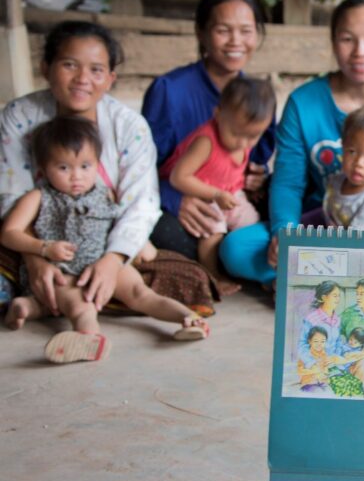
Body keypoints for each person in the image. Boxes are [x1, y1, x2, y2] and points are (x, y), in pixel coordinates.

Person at [221, 0, 364, 286]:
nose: (360, 52)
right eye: (347, 39)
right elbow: (289, 183)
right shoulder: (303, 102)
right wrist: (285, 233)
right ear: (333, 41)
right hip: (324, 224)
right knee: (236, 249)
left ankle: (311, 278)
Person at [0, 21, 216, 316]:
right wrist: (36, 259)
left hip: (103, 236)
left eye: (96, 70)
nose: (82, 79)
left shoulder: (128, 126)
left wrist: (112, 262)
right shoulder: (20, 115)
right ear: (45, 68)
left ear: (110, 78)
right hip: (37, 237)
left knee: (185, 268)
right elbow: (12, 197)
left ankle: (69, 293)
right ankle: (58, 291)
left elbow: (140, 202)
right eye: (69, 65)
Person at [2, 116, 209, 362]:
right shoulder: (38, 197)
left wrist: (141, 243)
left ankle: (190, 319)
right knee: (81, 305)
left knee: (142, 293)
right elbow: (9, 233)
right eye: (64, 168)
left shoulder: (106, 194)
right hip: (63, 270)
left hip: (102, 262)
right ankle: (88, 337)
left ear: (97, 165)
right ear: (43, 168)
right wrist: (43, 248)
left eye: (85, 166)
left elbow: (119, 220)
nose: (76, 176)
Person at [143, 0, 276, 260]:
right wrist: (173, 198)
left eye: (246, 31)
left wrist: (255, 177)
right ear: (201, 33)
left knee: (281, 208)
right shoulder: (169, 91)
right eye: (223, 30)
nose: (235, 41)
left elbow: (258, 157)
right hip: (184, 204)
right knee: (164, 232)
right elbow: (139, 167)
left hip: (232, 201)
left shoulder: (258, 97)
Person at [160, 76, 276, 289]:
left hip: (230, 193)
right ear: (218, 115)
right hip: (201, 193)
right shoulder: (206, 141)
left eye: (252, 137)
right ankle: (212, 276)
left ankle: (261, 274)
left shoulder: (244, 134)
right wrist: (214, 194)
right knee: (213, 229)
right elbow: (178, 177)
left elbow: (232, 169)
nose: (242, 143)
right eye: (235, 134)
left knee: (252, 222)